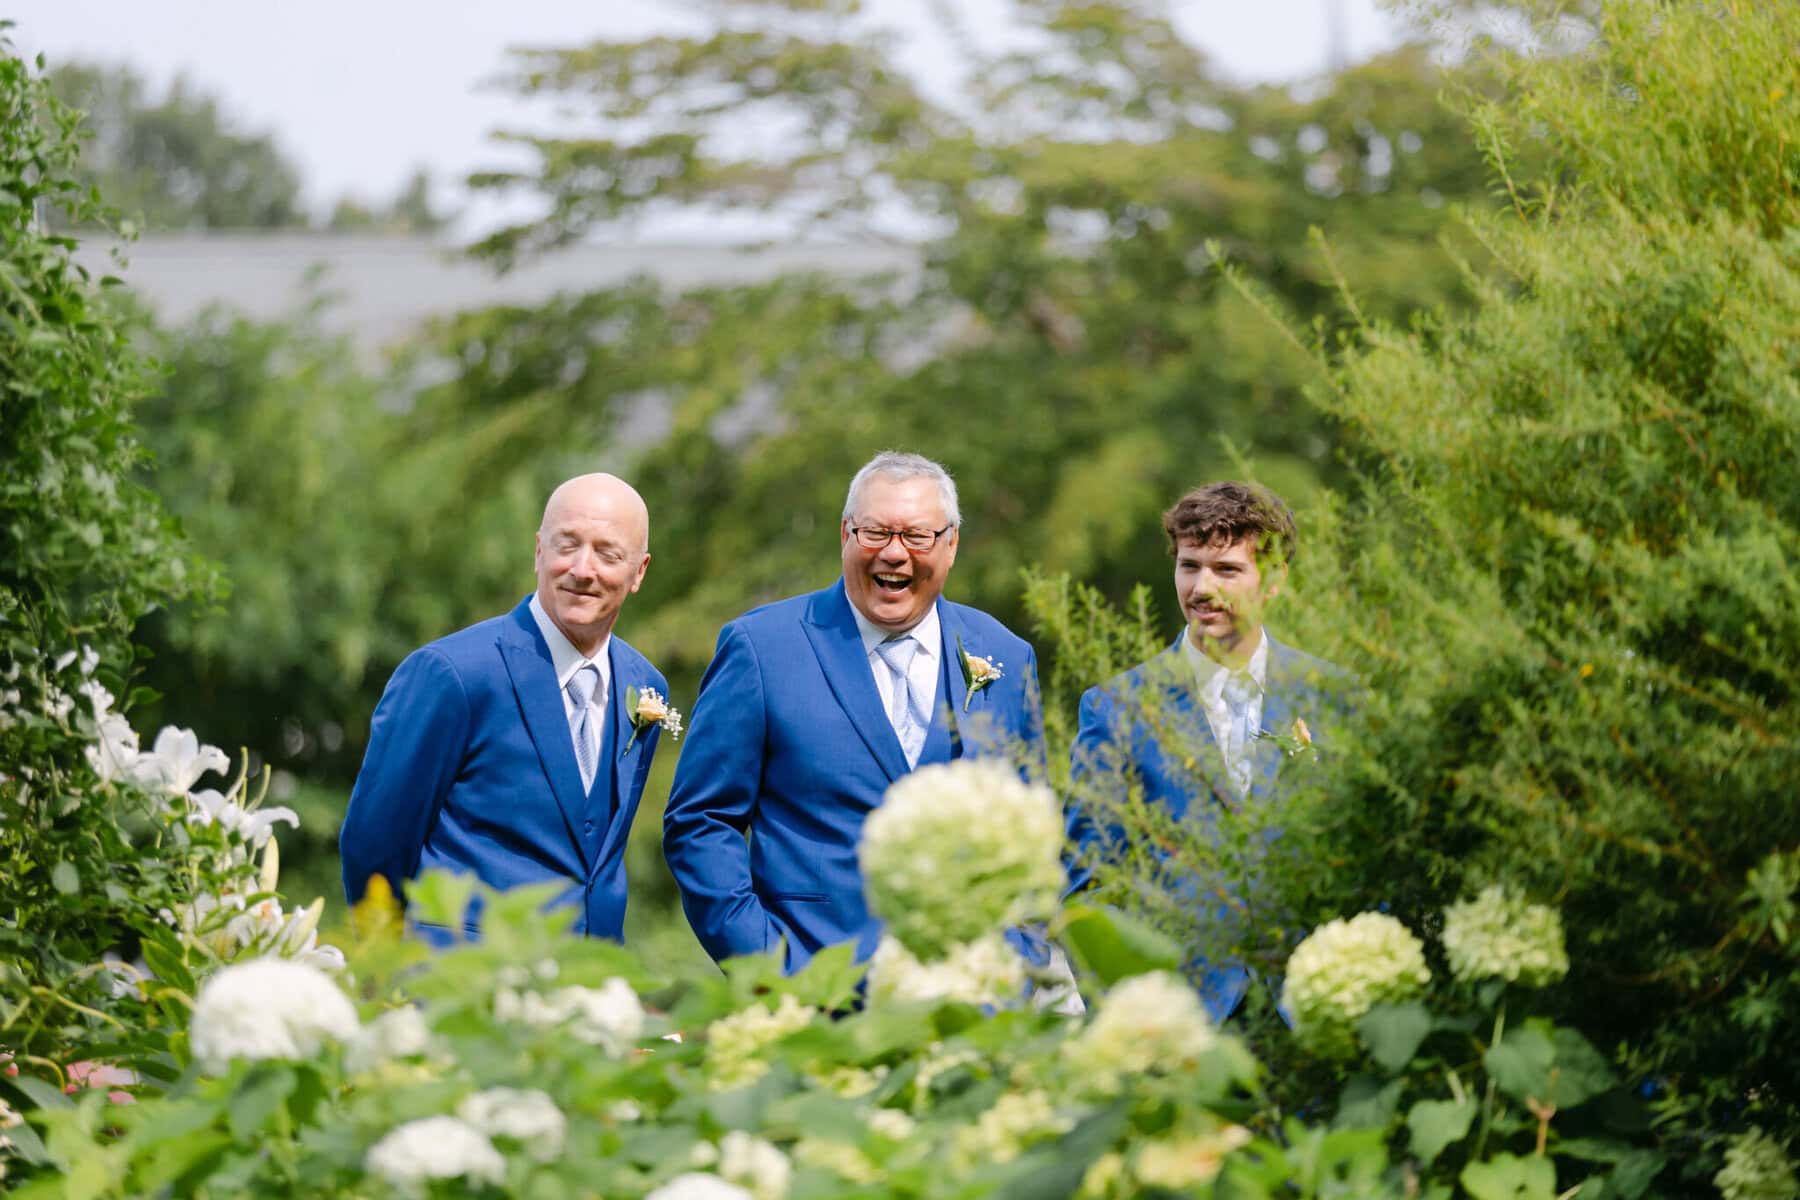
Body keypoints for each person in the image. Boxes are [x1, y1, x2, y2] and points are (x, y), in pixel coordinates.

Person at [663, 451, 1045, 970]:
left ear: (951, 544)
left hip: (969, 1007)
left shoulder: (1006, 656)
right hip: (815, 999)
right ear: (845, 535)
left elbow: (1031, 837)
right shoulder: (762, 648)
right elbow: (701, 821)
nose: (894, 553)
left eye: (917, 536)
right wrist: (767, 967)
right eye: (875, 533)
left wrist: (1018, 964)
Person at [340, 473, 671, 944]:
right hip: (462, 981)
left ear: (639, 572)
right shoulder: (452, 673)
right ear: (539, 550)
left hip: (589, 988)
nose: (583, 569)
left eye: (608, 554)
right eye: (567, 544)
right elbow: (374, 844)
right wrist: (393, 973)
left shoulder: (645, 687)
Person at [1067, 481, 1341, 1019]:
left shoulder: (1334, 699)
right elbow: (1087, 889)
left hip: (1314, 1025)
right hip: (1180, 1032)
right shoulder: (1117, 709)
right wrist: (1132, 1017)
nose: (1201, 587)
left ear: (1275, 579)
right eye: (1189, 566)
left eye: (1227, 570)